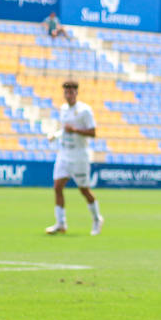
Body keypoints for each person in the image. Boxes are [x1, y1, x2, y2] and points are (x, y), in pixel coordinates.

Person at [45, 79, 103, 236]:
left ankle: (97, 219)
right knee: (57, 187)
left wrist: (75, 130)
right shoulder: (63, 109)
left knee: (84, 190)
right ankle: (60, 223)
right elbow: (65, 130)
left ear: (76, 93)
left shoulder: (85, 111)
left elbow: (93, 133)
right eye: (66, 92)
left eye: (71, 92)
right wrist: (56, 135)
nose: (68, 95)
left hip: (79, 155)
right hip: (64, 153)